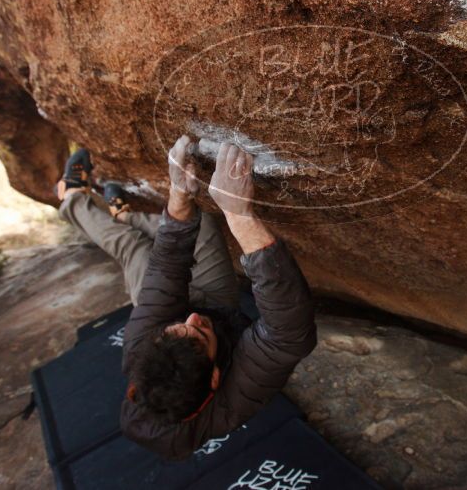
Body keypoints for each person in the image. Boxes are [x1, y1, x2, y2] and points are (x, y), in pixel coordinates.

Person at [55, 136, 317, 460]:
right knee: (144, 243)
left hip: (170, 308)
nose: (193, 320)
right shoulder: (233, 400)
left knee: (151, 240)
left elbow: (165, 268)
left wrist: (177, 196)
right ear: (216, 376)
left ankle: (99, 207)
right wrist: (238, 214)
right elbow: (289, 334)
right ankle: (96, 207)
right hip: (221, 311)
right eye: (199, 336)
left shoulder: (140, 351)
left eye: (178, 329)